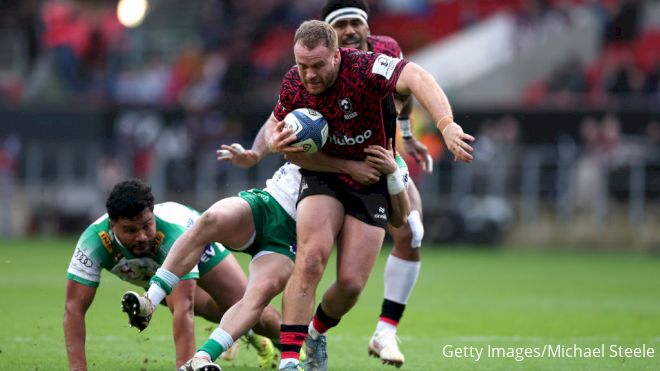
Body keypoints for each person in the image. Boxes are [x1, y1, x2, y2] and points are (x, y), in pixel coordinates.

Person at [267, 20, 474, 371]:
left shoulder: (366, 67)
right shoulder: (293, 82)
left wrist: (447, 124)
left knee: (349, 285)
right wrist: (274, 142)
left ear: (337, 56)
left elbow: (418, 78)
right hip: (325, 175)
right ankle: (290, 360)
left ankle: (317, 332)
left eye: (317, 66)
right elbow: (279, 136)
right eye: (303, 66)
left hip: (374, 178)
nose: (310, 75)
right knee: (312, 257)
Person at [122, 128, 409, 371]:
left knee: (259, 294)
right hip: (267, 203)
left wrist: (394, 173)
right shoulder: (325, 117)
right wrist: (259, 150)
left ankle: (201, 359)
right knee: (211, 219)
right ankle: (151, 299)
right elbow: (277, 129)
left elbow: (401, 216)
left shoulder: (386, 154)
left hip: (290, 239)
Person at [64, 179, 277, 370]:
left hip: (196, 245)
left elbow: (183, 308)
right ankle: (256, 339)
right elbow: (73, 308)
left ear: (153, 215)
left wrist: (182, 367)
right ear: (112, 225)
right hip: (149, 269)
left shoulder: (173, 233)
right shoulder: (92, 243)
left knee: (251, 308)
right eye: (130, 230)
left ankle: (296, 347)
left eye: (147, 226)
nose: (141, 236)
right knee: (209, 308)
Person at [321, 0, 431, 366]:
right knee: (303, 257)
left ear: (368, 28)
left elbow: (404, 90)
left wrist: (407, 134)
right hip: (325, 166)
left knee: (411, 232)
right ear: (327, 33)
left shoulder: (388, 50)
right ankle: (261, 324)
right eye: (341, 25)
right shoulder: (317, 63)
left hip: (378, 159)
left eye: (356, 22)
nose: (350, 30)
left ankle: (385, 332)